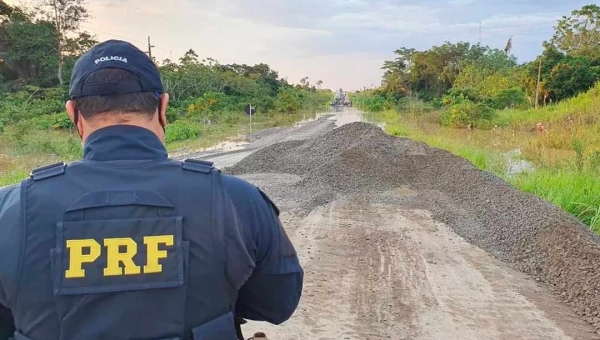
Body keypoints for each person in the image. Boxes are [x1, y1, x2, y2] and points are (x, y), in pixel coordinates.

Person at [0, 39, 303, 340]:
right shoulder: (236, 199)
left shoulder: (9, 209)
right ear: (162, 107)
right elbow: (276, 304)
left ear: (73, 113)